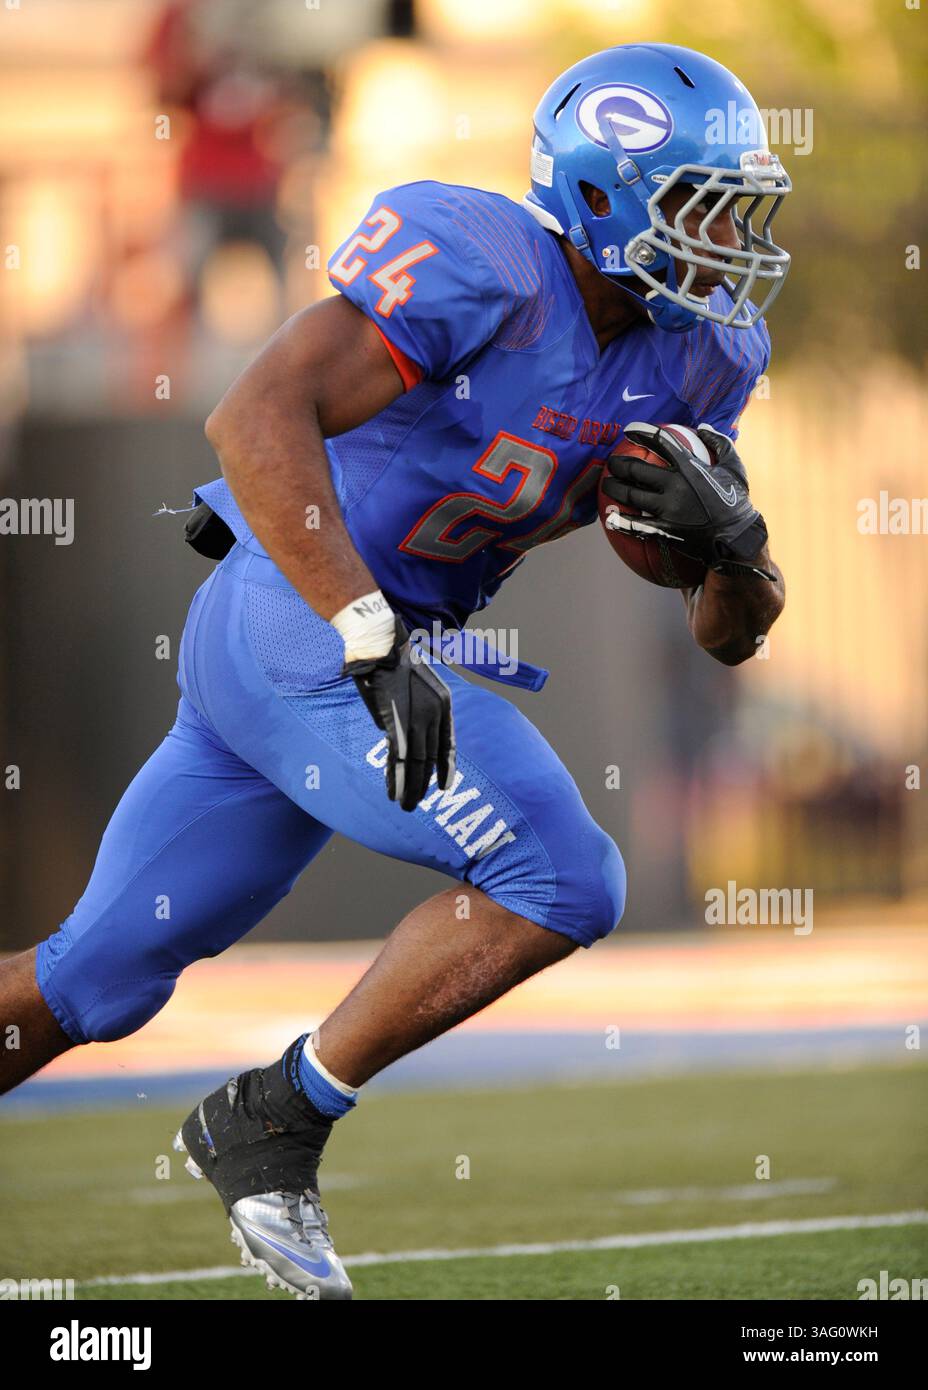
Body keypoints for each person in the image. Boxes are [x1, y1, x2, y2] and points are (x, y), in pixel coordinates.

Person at [0, 44, 788, 1300]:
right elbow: (253, 415)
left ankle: (262, 1113)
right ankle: (273, 1118)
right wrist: (367, 629)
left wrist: (735, 548)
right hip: (301, 619)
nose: (726, 236)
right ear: (601, 197)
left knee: (92, 977)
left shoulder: (703, 358)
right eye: (698, 202)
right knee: (562, 872)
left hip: (347, 641)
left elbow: (724, 626)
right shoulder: (486, 264)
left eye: (736, 206)